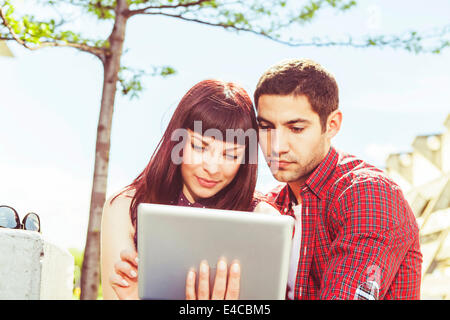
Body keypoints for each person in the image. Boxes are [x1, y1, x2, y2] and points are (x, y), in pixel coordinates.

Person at [255, 58, 422, 300]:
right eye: (267, 127)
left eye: (296, 128)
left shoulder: (369, 194)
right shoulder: (271, 206)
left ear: (332, 125)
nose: (276, 147)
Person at [100, 79, 277, 300]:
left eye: (230, 155)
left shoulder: (262, 220)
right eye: (199, 147)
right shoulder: (125, 207)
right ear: (177, 140)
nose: (212, 168)